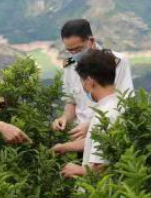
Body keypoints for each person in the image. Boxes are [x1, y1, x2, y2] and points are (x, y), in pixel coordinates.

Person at [51, 19, 133, 145]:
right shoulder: (69, 64)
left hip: (108, 135)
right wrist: (64, 118)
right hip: (77, 138)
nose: (74, 54)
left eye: (78, 49)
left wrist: (92, 124)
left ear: (91, 41)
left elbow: (124, 102)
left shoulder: (117, 61)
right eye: (69, 50)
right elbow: (72, 101)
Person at [52, 49, 123, 178]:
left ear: (89, 82)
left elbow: (101, 168)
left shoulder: (104, 115)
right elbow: (95, 141)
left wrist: (76, 169)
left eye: (82, 81)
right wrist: (65, 147)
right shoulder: (119, 105)